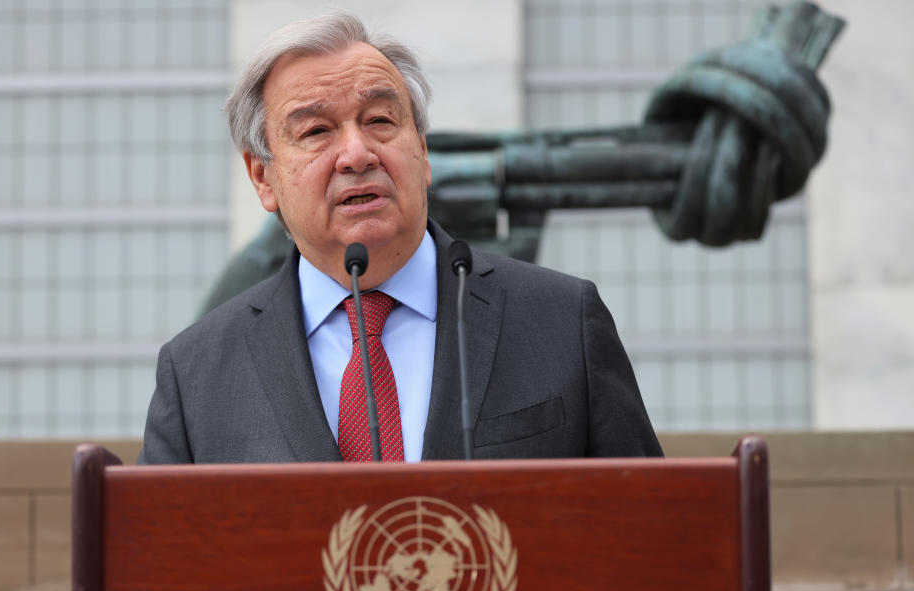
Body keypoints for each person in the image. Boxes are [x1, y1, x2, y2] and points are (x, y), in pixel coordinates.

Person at [138, 13, 661, 464]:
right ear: (262, 177)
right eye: (317, 131)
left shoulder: (563, 321)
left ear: (423, 151)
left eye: (381, 120)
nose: (357, 154)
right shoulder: (195, 374)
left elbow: (654, 536)